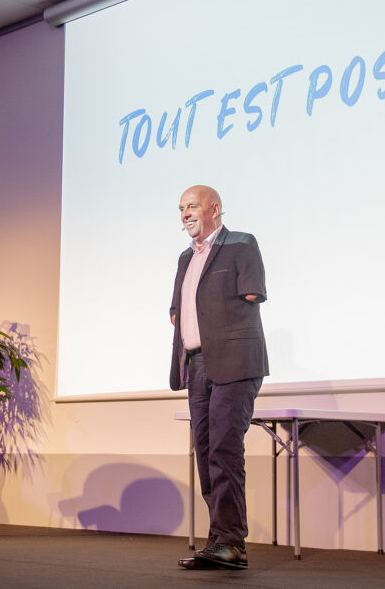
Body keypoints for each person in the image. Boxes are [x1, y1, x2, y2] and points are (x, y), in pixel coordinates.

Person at [169, 185, 268, 570]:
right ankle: (218, 540)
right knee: (207, 451)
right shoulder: (184, 258)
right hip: (197, 365)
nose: (185, 214)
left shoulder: (241, 244)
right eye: (181, 209)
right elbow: (176, 311)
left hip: (234, 362)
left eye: (191, 206)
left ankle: (232, 542)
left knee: (225, 449)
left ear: (214, 208)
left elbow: (250, 294)